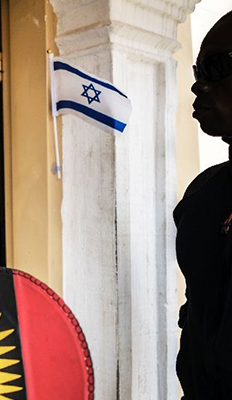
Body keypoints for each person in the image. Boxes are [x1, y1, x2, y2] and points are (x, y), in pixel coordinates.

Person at [174, 10, 232, 400]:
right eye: (198, 71)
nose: (200, 85)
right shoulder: (201, 196)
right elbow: (196, 317)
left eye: (216, 67)